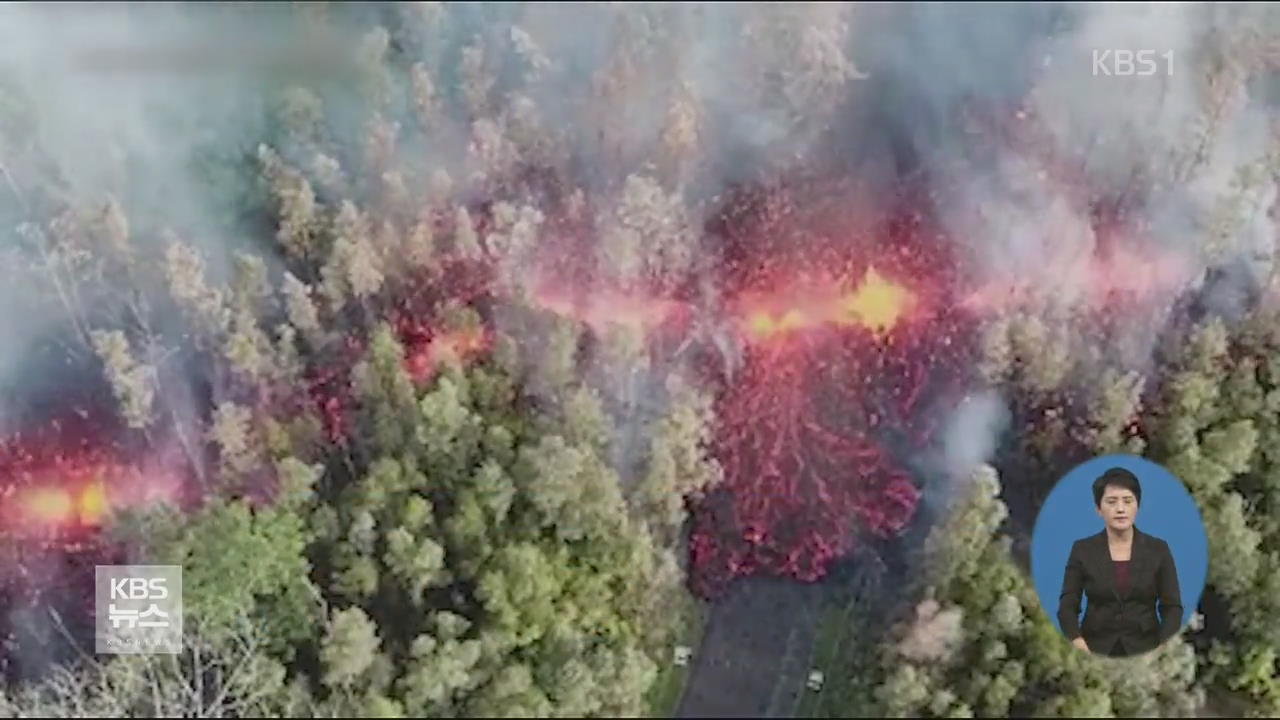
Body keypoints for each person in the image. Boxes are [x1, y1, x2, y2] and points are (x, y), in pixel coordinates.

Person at [1057, 467, 1183, 657]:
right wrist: (1078, 642)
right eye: (1111, 502)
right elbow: (1067, 606)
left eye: (1127, 501)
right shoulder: (1082, 550)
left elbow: (1172, 607)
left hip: (1145, 648)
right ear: (1099, 509)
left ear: (1137, 506)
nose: (1120, 509)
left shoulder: (1158, 550)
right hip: (1094, 648)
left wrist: (1161, 647)